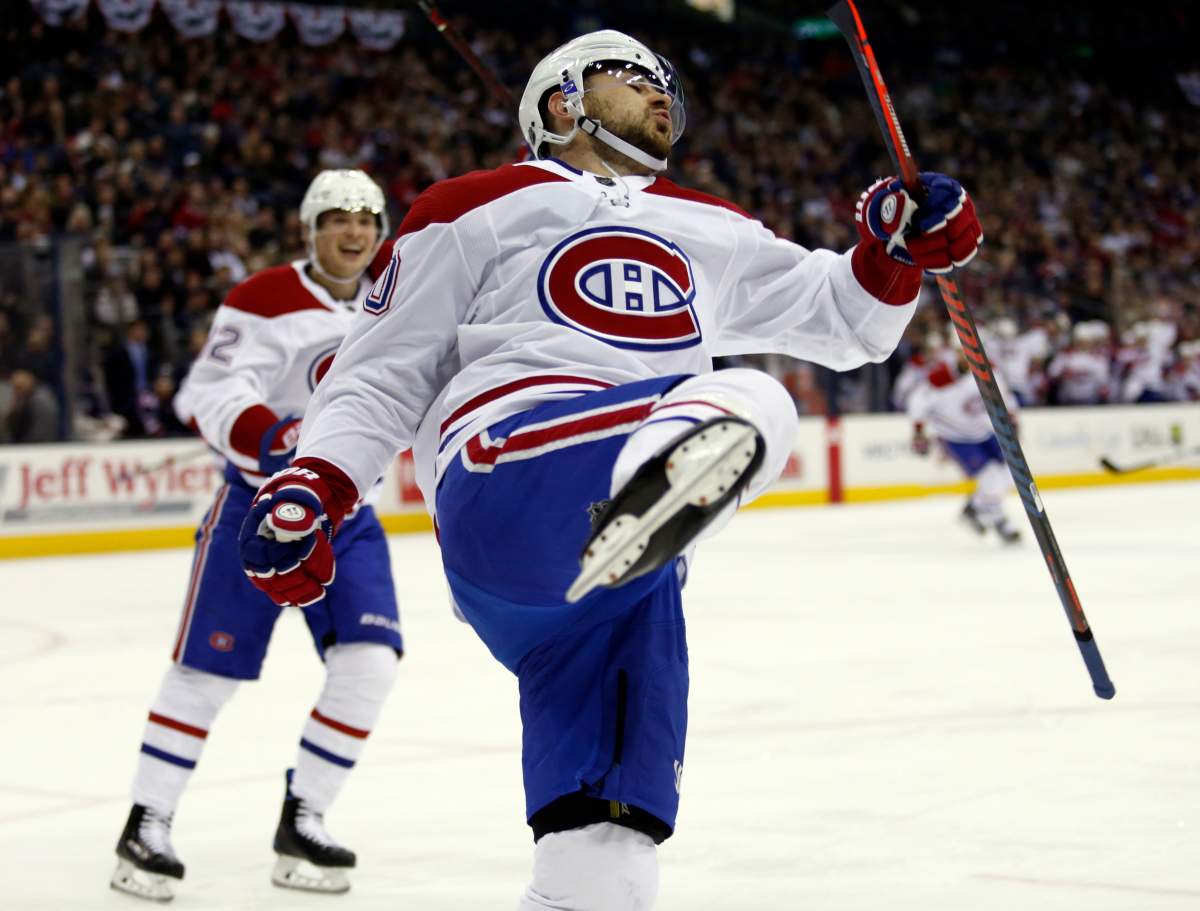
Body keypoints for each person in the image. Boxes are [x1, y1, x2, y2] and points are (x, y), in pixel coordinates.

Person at [238, 31, 982, 910]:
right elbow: (381, 371)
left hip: (624, 589)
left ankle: (652, 493)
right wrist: (314, 485)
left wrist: (899, 246)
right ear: (562, 102)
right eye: (633, 76)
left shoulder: (710, 224)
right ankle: (659, 468)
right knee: (753, 404)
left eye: (669, 82)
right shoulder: (475, 204)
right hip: (508, 474)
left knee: (604, 860)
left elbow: (846, 321)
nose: (664, 93)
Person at [111, 170, 403, 902]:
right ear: (311, 228)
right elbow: (206, 392)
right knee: (206, 675)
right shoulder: (263, 297)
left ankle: (304, 817)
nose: (354, 233)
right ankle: (147, 821)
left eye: (366, 220)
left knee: (370, 661)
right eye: (337, 219)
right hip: (259, 510)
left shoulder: (398, 299)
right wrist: (279, 439)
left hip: (349, 518)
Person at [908, 341, 1021, 543]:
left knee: (1007, 476)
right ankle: (1000, 521)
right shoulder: (940, 378)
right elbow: (917, 401)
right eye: (963, 352)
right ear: (956, 353)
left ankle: (974, 507)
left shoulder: (988, 370)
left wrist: (1012, 419)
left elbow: (1003, 394)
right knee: (990, 479)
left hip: (984, 431)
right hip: (956, 437)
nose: (968, 355)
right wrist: (918, 432)